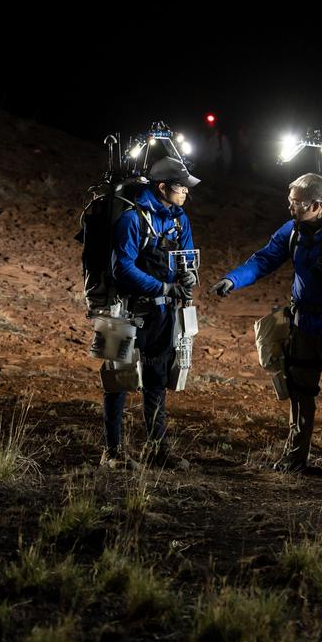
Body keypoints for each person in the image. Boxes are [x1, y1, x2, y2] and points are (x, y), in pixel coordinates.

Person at [212, 172, 322, 476]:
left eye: (296, 204)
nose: (290, 208)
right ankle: (296, 457)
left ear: (317, 205)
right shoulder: (293, 231)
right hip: (303, 327)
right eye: (290, 202)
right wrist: (233, 279)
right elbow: (263, 260)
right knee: (299, 393)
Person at [101, 156, 199, 470]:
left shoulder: (180, 219)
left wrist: (189, 277)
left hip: (163, 314)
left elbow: (188, 259)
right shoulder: (131, 219)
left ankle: (158, 449)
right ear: (162, 187)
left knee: (157, 379)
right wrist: (164, 288)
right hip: (123, 310)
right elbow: (121, 269)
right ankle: (112, 452)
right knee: (117, 380)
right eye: (180, 187)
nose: (185, 192)